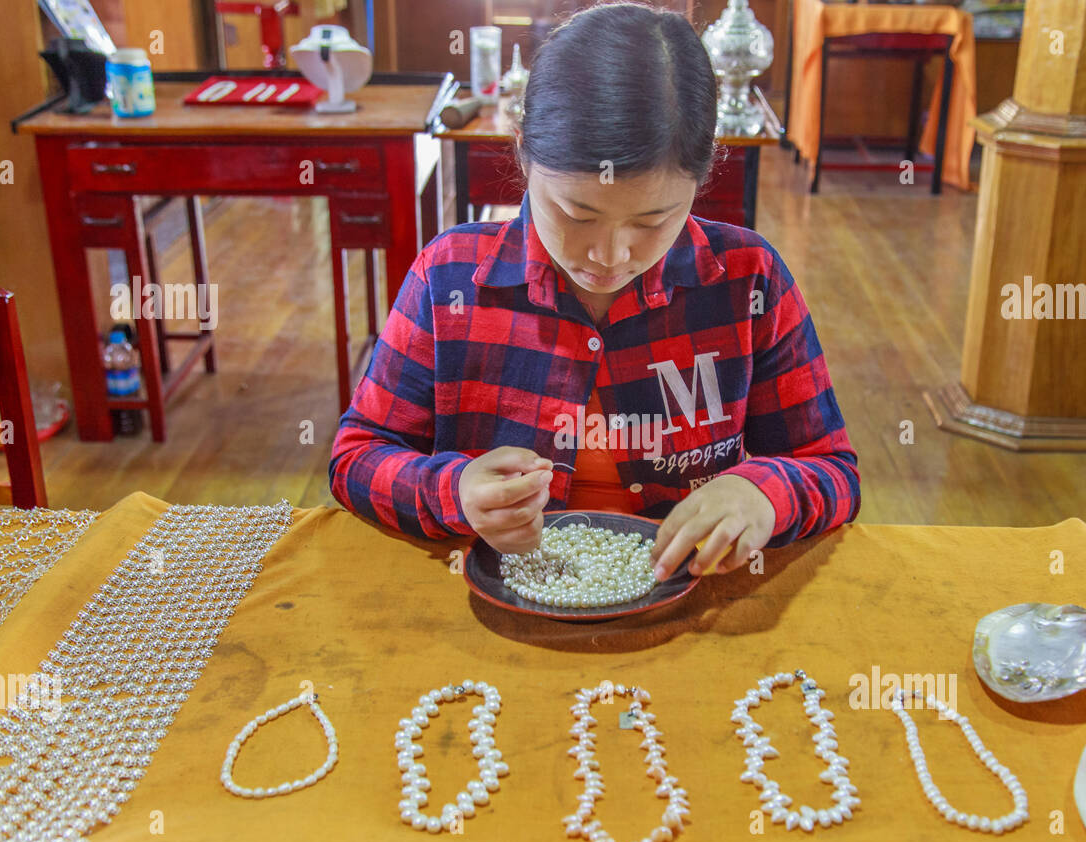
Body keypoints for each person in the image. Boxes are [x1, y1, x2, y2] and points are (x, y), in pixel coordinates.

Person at [330, 1, 859, 583]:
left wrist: (762, 494)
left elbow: (830, 467)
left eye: (653, 221)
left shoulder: (746, 281)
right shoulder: (451, 278)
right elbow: (357, 457)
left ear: (702, 178)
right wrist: (452, 489)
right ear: (523, 153)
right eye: (576, 216)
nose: (609, 257)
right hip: (493, 615)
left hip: (686, 609)